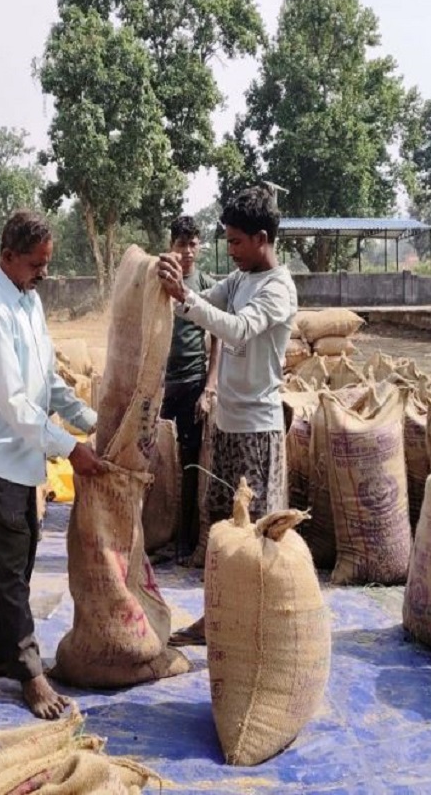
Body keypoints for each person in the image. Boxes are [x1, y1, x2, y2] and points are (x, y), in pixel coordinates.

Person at [0, 209, 107, 720]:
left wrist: (88, 418)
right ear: (7, 257)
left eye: (47, 263)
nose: (44, 272)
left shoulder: (28, 298)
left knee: (17, 557)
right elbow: (15, 405)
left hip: (20, 451)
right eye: (36, 263)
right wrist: (70, 448)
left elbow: (47, 380)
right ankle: (30, 673)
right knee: (10, 563)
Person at [156, 186, 298, 646]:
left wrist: (188, 299)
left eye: (236, 242)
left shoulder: (278, 288)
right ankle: (214, 620)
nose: (231, 250)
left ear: (261, 238)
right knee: (221, 538)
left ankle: (253, 631)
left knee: (254, 541)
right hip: (228, 426)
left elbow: (236, 327)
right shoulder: (239, 280)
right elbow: (206, 302)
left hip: (258, 432)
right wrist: (174, 283)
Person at [159, 215, 218, 563]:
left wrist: (209, 387)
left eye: (193, 244)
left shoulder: (207, 285)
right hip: (163, 385)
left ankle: (186, 538)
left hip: (194, 383)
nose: (188, 252)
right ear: (172, 246)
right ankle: (158, 534)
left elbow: (218, 338)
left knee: (189, 461)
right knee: (159, 461)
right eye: (182, 244)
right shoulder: (161, 282)